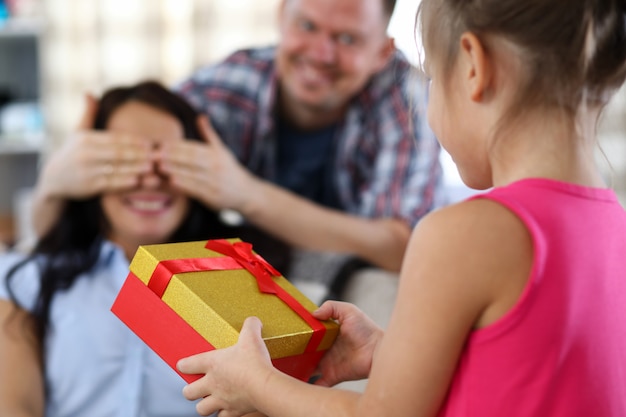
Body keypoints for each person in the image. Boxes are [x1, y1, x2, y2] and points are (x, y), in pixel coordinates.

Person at [175, 0, 626, 416]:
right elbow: (528, 369)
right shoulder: (611, 221)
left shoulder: (466, 232)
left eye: (430, 78)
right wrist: (392, 351)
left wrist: (256, 384)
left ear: (473, 65)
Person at [29, 0, 445, 300]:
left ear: (381, 53)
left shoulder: (406, 101)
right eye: (307, 26)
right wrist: (57, 179)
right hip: (264, 266)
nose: (321, 53)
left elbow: (401, 247)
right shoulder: (227, 85)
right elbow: (150, 130)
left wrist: (244, 193)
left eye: (347, 38)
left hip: (366, 277)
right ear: (281, 16)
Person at [0, 81, 265, 417]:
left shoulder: (245, 281)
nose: (150, 179)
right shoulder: (22, 282)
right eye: (125, 158)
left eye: (171, 160)